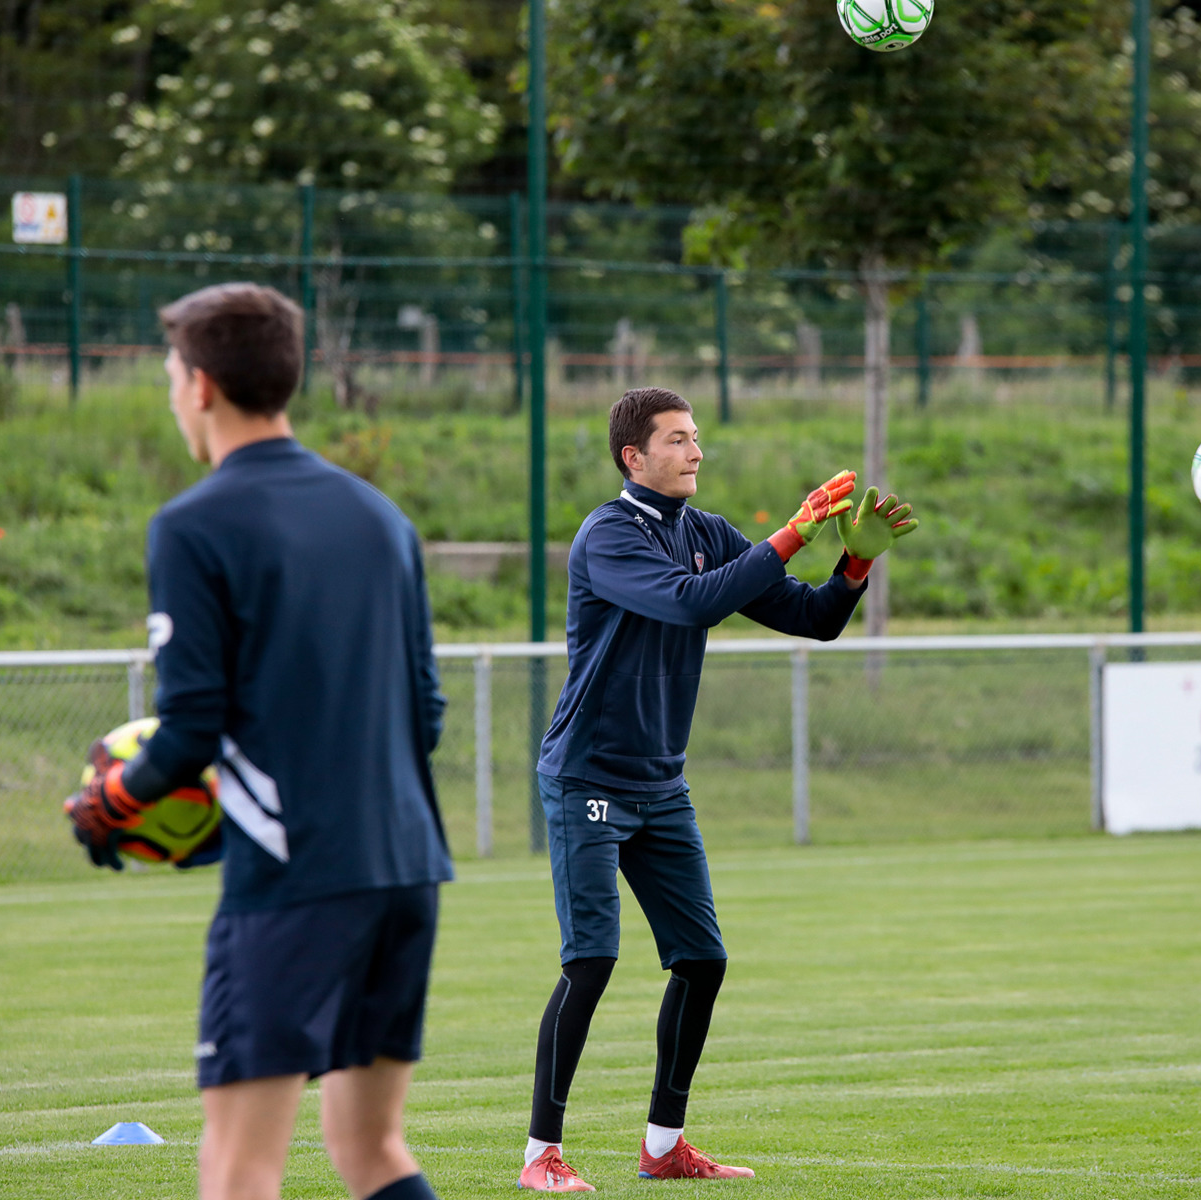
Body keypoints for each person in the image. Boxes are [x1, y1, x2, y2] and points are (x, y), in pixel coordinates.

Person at [65, 282, 453, 1200]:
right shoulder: (379, 516)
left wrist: (110, 803)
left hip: (294, 885)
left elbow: (192, 726)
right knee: (372, 1151)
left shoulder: (193, 523)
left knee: (237, 1167)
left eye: (169, 374)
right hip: (405, 866)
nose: (170, 394)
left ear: (200, 385)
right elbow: (425, 715)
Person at [518, 386, 917, 1192]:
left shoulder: (705, 531)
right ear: (634, 457)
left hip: (660, 784)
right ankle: (541, 1158)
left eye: (696, 437)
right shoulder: (606, 536)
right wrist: (796, 529)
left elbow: (813, 619)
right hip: (586, 778)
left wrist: (854, 561)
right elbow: (691, 603)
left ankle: (664, 1147)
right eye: (677, 439)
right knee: (591, 960)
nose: (696, 451)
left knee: (702, 959)